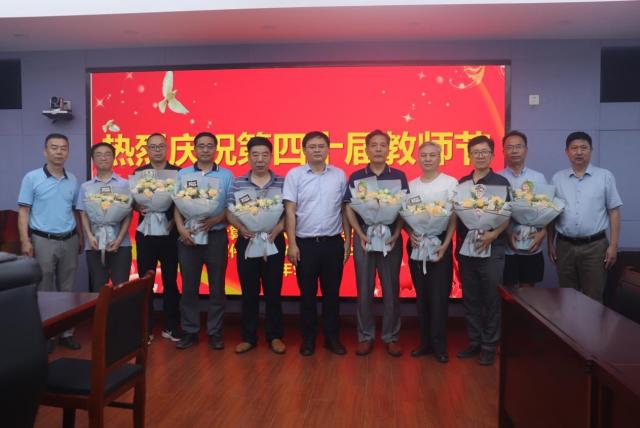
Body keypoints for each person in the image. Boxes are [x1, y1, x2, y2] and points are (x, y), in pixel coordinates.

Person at [283, 131, 351, 356]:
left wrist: (348, 240)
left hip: (333, 243)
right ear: (304, 150)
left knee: (332, 295)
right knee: (307, 295)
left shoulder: (339, 175)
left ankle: (332, 338)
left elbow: (344, 210)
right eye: (312, 147)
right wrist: (292, 244)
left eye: (321, 146)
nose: (317, 150)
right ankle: (309, 339)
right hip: (305, 245)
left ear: (328, 149)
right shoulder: (295, 175)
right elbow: (290, 211)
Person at [343, 130, 408, 357]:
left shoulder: (398, 176)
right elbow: (349, 208)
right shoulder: (356, 176)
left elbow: (404, 209)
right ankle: (365, 336)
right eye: (374, 145)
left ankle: (391, 337)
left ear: (389, 149)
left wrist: (396, 233)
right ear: (366, 149)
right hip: (365, 239)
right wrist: (359, 234)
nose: (378, 149)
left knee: (391, 290)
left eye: (383, 145)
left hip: (390, 239)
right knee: (364, 290)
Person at [17, 133, 84, 350]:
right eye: (54, 147)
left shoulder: (72, 179)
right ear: (45, 151)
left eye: (63, 148)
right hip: (42, 240)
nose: (59, 152)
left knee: (68, 289)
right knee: (45, 290)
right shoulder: (32, 178)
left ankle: (66, 333)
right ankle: (46, 334)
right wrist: (25, 241)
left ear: (68, 152)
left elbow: (75, 211)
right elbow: (23, 212)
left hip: (70, 239)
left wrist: (81, 236)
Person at [226, 137, 286, 355]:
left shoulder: (282, 182)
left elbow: (289, 212)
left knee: (273, 291)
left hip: (273, 239)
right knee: (249, 291)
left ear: (271, 157)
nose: (260, 159)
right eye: (255, 154)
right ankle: (248, 337)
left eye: (264, 154)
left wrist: (278, 229)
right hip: (247, 239)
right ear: (249, 156)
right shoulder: (237, 182)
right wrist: (241, 228)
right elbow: (229, 211)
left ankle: (275, 336)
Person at [174, 132, 233, 350]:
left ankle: (215, 332)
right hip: (188, 237)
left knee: (217, 287)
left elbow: (231, 206)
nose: (205, 149)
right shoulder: (183, 174)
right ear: (194, 149)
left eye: (210, 146)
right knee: (189, 287)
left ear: (216, 149)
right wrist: (181, 229)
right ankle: (190, 331)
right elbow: (177, 205)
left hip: (216, 236)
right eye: (201, 146)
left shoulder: (226, 175)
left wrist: (215, 220)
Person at [548, 131, 622, 302]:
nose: (579, 152)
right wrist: (550, 243)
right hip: (564, 246)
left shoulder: (605, 176)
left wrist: (613, 245)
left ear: (591, 150)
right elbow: (551, 214)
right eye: (574, 148)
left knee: (593, 298)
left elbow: (614, 212)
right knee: (567, 298)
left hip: (595, 247)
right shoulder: (557, 178)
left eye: (583, 148)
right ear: (567, 152)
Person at [456, 135, 510, 366]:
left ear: (492, 155)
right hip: (466, 248)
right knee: (471, 298)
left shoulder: (500, 183)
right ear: (469, 155)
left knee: (491, 299)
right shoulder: (462, 183)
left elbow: (508, 214)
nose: (480, 156)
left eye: (484, 152)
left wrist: (493, 234)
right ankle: (475, 341)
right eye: (475, 152)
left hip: (492, 247)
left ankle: (490, 345)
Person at [406, 141, 457, 363]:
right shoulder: (411, 185)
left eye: (432, 155)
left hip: (439, 245)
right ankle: (424, 343)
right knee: (422, 297)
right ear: (418, 158)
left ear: (440, 157)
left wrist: (446, 244)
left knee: (439, 297)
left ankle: (439, 346)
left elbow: (453, 217)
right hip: (417, 246)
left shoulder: (450, 183)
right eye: (424, 155)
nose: (427, 159)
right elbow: (405, 215)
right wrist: (410, 233)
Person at [133, 133, 182, 344]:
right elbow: (132, 201)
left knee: (171, 280)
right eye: (153, 147)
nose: (157, 150)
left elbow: (184, 201)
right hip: (146, 234)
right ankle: (146, 328)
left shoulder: (178, 172)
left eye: (161, 146)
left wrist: (174, 222)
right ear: (147, 149)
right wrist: (137, 206)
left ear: (167, 148)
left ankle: (171, 326)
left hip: (171, 232)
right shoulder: (139, 173)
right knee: (145, 281)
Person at [77, 143, 132, 291]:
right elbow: (83, 214)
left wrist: (119, 240)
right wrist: (90, 237)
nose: (103, 158)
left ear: (114, 158)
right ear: (93, 159)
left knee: (121, 288)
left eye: (107, 154)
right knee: (98, 287)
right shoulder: (86, 186)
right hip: (94, 243)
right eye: (99, 155)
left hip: (121, 244)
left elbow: (128, 215)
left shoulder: (125, 184)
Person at [498, 130, 547, 288]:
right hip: (506, 246)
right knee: (507, 292)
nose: (514, 151)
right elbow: (495, 212)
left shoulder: (538, 177)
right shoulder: (498, 178)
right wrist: (508, 232)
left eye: (518, 146)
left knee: (528, 292)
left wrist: (542, 233)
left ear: (526, 150)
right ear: (503, 151)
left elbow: (546, 208)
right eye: (509, 147)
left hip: (532, 242)